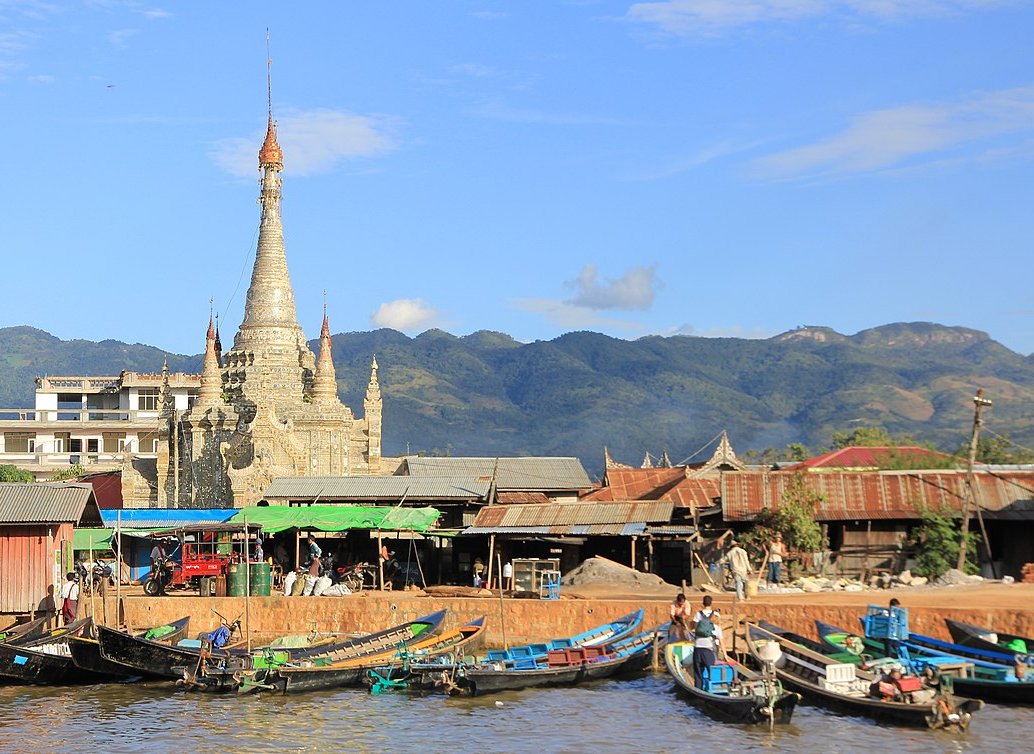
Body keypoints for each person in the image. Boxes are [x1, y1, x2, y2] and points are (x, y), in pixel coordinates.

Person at [691, 595, 720, 690]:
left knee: (698, 672)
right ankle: (713, 689)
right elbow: (718, 628)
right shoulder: (716, 614)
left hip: (698, 646)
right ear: (711, 603)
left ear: (703, 603)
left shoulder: (698, 614)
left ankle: (698, 690)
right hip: (710, 647)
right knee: (712, 671)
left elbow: (693, 627)